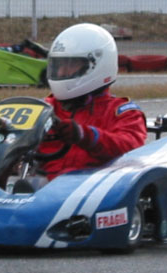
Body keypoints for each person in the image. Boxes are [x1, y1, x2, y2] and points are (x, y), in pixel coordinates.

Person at [36, 23, 147, 180]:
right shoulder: (44, 108)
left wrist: (85, 135)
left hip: (93, 184)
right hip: (41, 186)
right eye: (58, 66)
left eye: (70, 66)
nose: (60, 72)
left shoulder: (122, 112)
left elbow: (131, 147)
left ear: (97, 65)